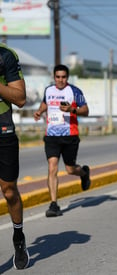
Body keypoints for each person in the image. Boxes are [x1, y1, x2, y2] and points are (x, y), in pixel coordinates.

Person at [34, 64, 91, 217]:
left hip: (70, 135)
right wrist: (40, 111)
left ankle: (84, 173)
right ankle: (54, 205)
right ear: (54, 77)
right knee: (52, 167)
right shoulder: (49, 90)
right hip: (51, 135)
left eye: (63, 77)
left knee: (70, 169)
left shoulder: (74, 91)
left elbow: (86, 110)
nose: (60, 80)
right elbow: (46, 102)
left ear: (67, 77)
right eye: (58, 77)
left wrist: (72, 110)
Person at [0, 44, 30, 269]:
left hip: (3, 131)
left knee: (9, 191)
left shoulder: (5, 55)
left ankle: (18, 237)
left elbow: (20, 98)